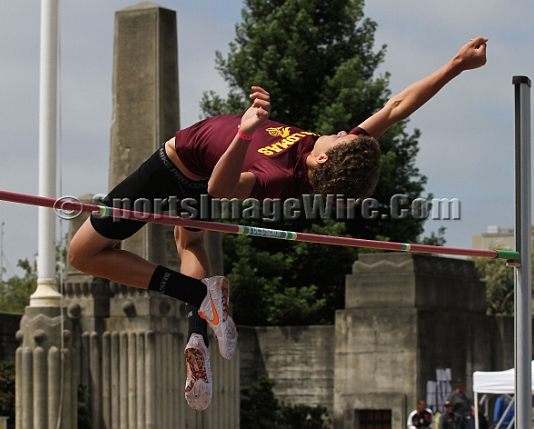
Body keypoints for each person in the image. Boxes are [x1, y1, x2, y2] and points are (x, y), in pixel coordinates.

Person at [68, 37, 489, 411]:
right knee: (189, 245)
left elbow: (220, 188)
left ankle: (198, 294)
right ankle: (199, 331)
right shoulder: (327, 155)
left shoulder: (279, 180)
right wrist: (456, 65)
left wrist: (245, 134)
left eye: (343, 136)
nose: (344, 130)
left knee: (83, 254)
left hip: (172, 166)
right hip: (197, 174)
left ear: (324, 158)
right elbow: (397, 106)